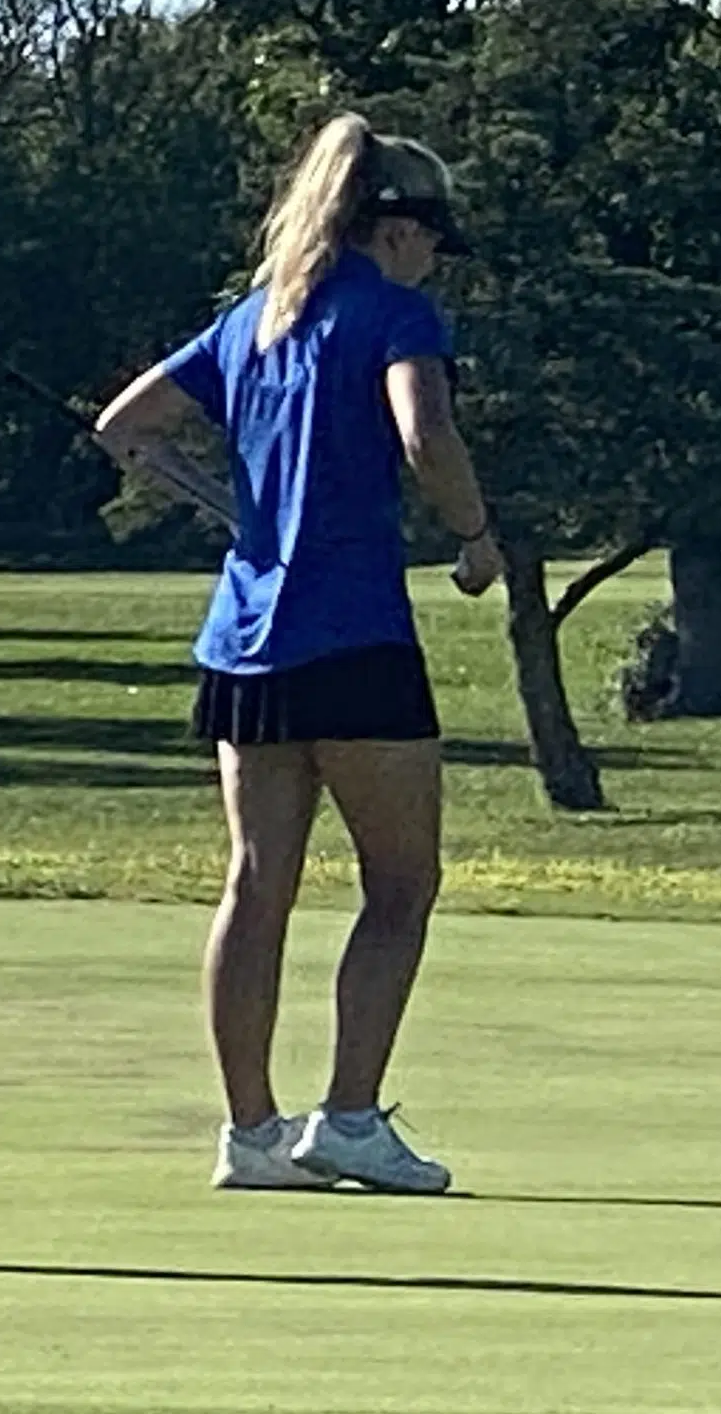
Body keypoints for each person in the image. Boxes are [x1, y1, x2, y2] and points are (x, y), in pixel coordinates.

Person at [93, 113, 503, 1195]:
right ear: (396, 229)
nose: (432, 262)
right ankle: (353, 1119)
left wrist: (228, 507)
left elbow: (124, 428)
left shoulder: (253, 321)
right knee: (403, 881)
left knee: (258, 879)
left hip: (244, 643)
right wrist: (474, 540)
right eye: (429, 239)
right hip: (355, 635)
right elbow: (425, 436)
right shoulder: (396, 314)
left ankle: (251, 1132)